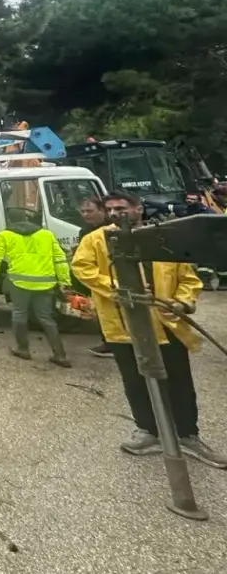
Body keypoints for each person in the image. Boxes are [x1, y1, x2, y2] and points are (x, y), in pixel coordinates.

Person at [72, 191, 226, 468]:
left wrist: (182, 302)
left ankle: (188, 435)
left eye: (121, 208)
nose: (115, 214)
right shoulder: (95, 240)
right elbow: (82, 268)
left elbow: (187, 277)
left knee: (179, 381)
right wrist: (118, 288)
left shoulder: (163, 239)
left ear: (138, 209)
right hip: (122, 326)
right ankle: (147, 431)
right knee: (135, 381)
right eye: (110, 209)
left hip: (166, 324)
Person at [0, 208, 71, 367]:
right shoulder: (47, 234)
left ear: (10, 221)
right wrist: (64, 281)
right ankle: (60, 355)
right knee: (46, 317)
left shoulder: (5, 235)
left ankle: (23, 349)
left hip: (19, 283)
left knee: (19, 313)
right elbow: (60, 259)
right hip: (46, 283)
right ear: (26, 218)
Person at [77, 197, 115, 358]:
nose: (86, 214)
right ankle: (109, 343)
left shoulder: (111, 229)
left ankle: (115, 344)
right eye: (83, 211)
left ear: (102, 210)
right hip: (95, 278)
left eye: (90, 211)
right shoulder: (85, 231)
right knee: (101, 312)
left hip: (112, 277)